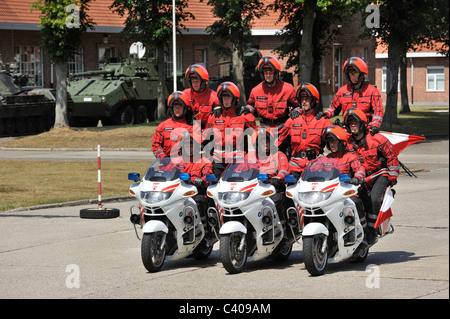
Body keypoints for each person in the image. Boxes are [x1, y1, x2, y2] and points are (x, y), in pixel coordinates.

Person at [343, 109, 399, 245]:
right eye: (350, 123)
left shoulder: (377, 139)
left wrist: (392, 177)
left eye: (355, 122)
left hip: (379, 174)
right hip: (360, 178)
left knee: (374, 199)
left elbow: (391, 156)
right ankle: (357, 230)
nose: (353, 126)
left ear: (362, 124)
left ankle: (373, 232)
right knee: (353, 202)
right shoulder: (347, 142)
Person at [318, 57, 384, 136]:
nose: (352, 76)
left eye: (355, 73)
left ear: (361, 74)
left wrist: (375, 125)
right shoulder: (342, 91)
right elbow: (334, 109)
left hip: (366, 132)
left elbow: (378, 111)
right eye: (350, 74)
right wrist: (325, 114)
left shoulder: (372, 91)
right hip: (347, 132)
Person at [203, 81, 256, 178]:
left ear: (234, 99)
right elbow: (205, 138)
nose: (226, 100)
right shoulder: (214, 116)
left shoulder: (244, 116)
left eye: (228, 97)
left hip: (238, 160)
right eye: (223, 98)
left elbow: (258, 136)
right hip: (218, 161)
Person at [280, 83, 332, 178]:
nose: (304, 102)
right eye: (302, 99)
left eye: (307, 99)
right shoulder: (292, 120)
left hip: (315, 165)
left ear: (313, 101)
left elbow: (336, 143)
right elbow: (278, 143)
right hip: (294, 166)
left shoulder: (323, 121)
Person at [244, 55, 297, 146]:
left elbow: (298, 106)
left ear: (275, 73)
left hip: (283, 129)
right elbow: (251, 106)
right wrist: (246, 109)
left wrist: (297, 111)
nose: (268, 75)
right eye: (265, 72)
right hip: (263, 129)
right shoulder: (256, 90)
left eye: (270, 71)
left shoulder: (288, 89)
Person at [321, 125, 367, 231]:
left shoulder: (350, 156)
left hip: (346, 192)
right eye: (330, 142)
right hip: (329, 193)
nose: (332, 144)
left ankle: (362, 231)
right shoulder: (325, 159)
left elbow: (360, 169)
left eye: (335, 142)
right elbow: (315, 172)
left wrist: (357, 178)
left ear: (341, 142)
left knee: (354, 202)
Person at [245, 127, 290, 229]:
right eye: (262, 141)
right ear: (256, 143)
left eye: (267, 141)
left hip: (273, 190)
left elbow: (284, 168)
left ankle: (282, 228)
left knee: (277, 200)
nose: (265, 144)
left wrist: (278, 177)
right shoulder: (249, 156)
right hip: (253, 193)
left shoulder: (278, 155)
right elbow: (241, 169)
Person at [152, 91, 193, 162]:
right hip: (166, 163)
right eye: (175, 107)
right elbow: (156, 145)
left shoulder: (191, 127)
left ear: (185, 108)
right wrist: (163, 158)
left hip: (185, 164)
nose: (177, 109)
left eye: (180, 107)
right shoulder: (163, 126)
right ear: (171, 108)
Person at [183, 64, 219, 129]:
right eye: (193, 81)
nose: (195, 84)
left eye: (197, 81)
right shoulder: (185, 94)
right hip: (191, 129)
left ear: (203, 82)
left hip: (209, 129)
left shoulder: (213, 96)